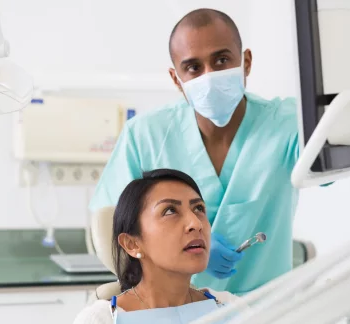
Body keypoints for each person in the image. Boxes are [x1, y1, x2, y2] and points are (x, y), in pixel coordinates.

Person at [89, 8, 303, 295]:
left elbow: (332, 159)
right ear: (176, 79)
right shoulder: (145, 136)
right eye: (193, 68)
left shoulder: (286, 123)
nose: (210, 76)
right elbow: (114, 230)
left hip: (264, 313)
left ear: (246, 62)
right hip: (177, 310)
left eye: (222, 60)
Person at [69, 169, 239, 324]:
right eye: (170, 211)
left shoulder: (230, 308)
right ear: (132, 244)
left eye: (198, 209)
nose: (195, 223)